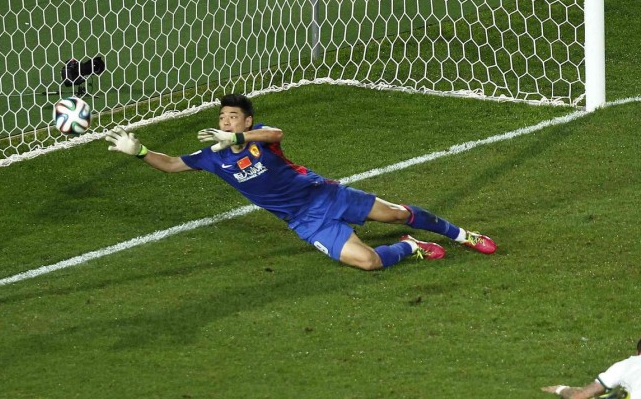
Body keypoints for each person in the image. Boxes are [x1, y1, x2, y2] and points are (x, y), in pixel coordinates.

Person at [104, 93, 497, 271]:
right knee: (369, 262)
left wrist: (239, 139)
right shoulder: (211, 156)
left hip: (325, 196)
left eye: (232, 117)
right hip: (306, 221)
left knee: (395, 214)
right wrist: (139, 151)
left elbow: (275, 133)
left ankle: (462, 234)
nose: (225, 121)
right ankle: (411, 249)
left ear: (246, 121)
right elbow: (172, 164)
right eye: (222, 116)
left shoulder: (259, 137)